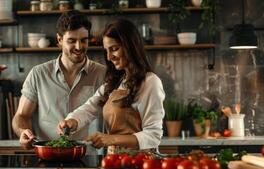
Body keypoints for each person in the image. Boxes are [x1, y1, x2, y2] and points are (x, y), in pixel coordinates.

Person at [58, 19, 165, 152]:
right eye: (106, 51)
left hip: (139, 163)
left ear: (130, 46)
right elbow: (89, 108)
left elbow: (153, 136)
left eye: (114, 49)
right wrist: (71, 121)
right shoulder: (115, 83)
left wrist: (111, 139)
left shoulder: (150, 82)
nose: (109, 57)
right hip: (114, 162)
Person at [12, 10, 106, 149]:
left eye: (83, 40)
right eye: (72, 41)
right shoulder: (39, 74)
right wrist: (23, 132)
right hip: (48, 156)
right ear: (60, 39)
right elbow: (21, 115)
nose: (79, 47)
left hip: (91, 157)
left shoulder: (102, 74)